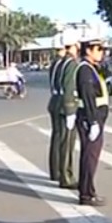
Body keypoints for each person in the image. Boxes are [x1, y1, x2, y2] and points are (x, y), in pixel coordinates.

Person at [74, 38, 109, 206]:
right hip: (90, 118)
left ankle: (87, 189)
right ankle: (86, 194)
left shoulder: (92, 68)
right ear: (88, 51)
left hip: (94, 117)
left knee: (91, 155)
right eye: (99, 49)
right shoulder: (85, 70)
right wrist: (93, 121)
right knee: (90, 156)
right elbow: (88, 96)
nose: (102, 52)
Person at [55, 36, 81, 189]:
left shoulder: (64, 62)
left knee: (64, 142)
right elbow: (69, 87)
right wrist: (70, 109)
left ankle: (64, 174)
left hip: (61, 105)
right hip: (67, 108)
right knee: (67, 144)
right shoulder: (71, 64)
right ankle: (66, 177)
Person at [47, 40, 68, 182]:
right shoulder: (63, 64)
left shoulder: (54, 64)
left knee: (56, 137)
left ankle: (54, 171)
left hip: (54, 100)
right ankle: (61, 171)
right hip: (61, 101)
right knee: (62, 139)